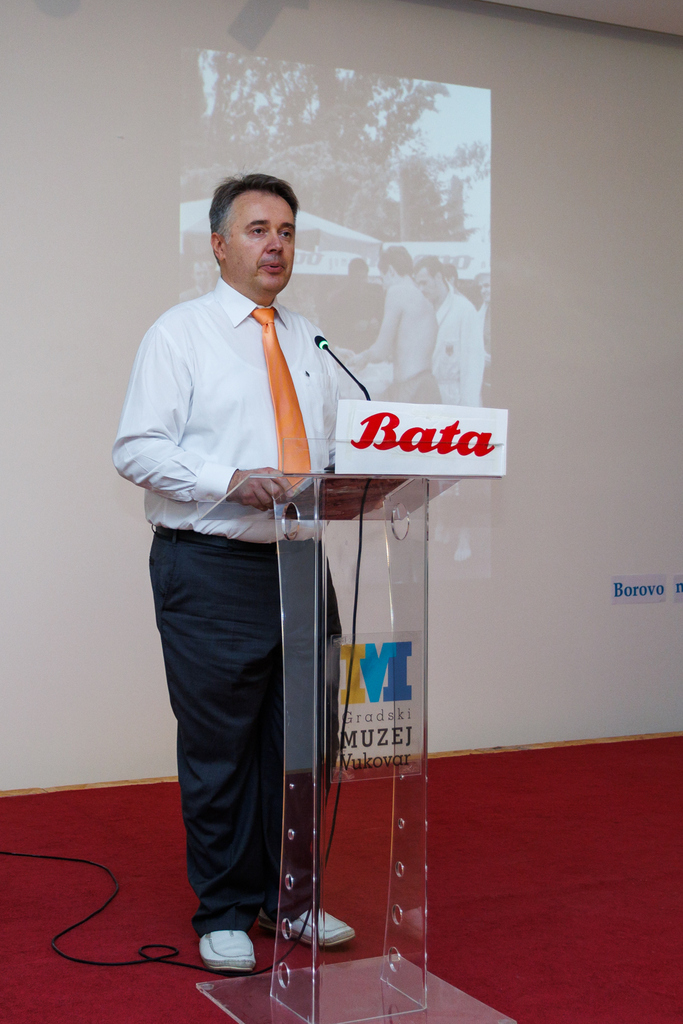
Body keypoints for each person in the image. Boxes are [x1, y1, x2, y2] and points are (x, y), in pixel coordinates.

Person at [113, 173, 353, 973]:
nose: (275, 245)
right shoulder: (179, 334)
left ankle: (290, 899)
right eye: (257, 230)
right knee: (220, 750)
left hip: (300, 562)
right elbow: (137, 449)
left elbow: (331, 451)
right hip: (211, 567)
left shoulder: (312, 342)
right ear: (219, 245)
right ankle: (222, 908)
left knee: (303, 747)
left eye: (286, 231)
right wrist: (227, 478)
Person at [353, 246, 439, 403]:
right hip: (428, 385)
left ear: (391, 271)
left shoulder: (397, 291)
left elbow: (381, 351)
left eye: (382, 279)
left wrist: (362, 357)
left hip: (410, 387)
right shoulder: (425, 299)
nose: (383, 286)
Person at [414, 257, 485, 407]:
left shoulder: (464, 310)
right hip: (425, 396)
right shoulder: (421, 309)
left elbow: (473, 365)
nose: (421, 289)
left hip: (454, 397)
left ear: (438, 277)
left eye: (424, 283)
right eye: (418, 284)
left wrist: (468, 407)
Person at [324, 257, 384, 355]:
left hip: (371, 347)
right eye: (358, 278)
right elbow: (332, 329)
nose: (361, 282)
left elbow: (384, 317)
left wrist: (376, 322)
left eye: (363, 277)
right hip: (348, 349)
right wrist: (352, 326)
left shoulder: (375, 295)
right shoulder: (338, 298)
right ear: (351, 277)